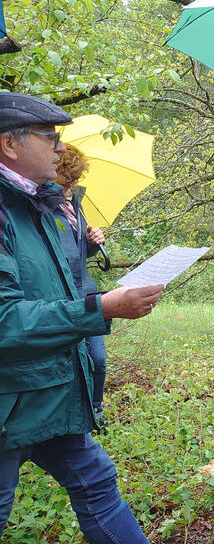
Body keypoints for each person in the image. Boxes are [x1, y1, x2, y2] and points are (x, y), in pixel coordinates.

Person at [0, 92, 214, 544]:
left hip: (42, 389)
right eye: (49, 137)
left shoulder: (39, 205)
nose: (60, 148)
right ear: (9, 144)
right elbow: (6, 321)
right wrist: (101, 308)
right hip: (8, 399)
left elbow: (56, 285)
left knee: (93, 476)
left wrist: (98, 293)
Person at [53, 144, 108, 414]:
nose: (73, 184)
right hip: (62, 298)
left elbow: (78, 254)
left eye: (76, 178)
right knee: (72, 363)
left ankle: (95, 411)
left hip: (85, 293)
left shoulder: (75, 204)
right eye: (69, 177)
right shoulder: (41, 207)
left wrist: (92, 242)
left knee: (98, 360)